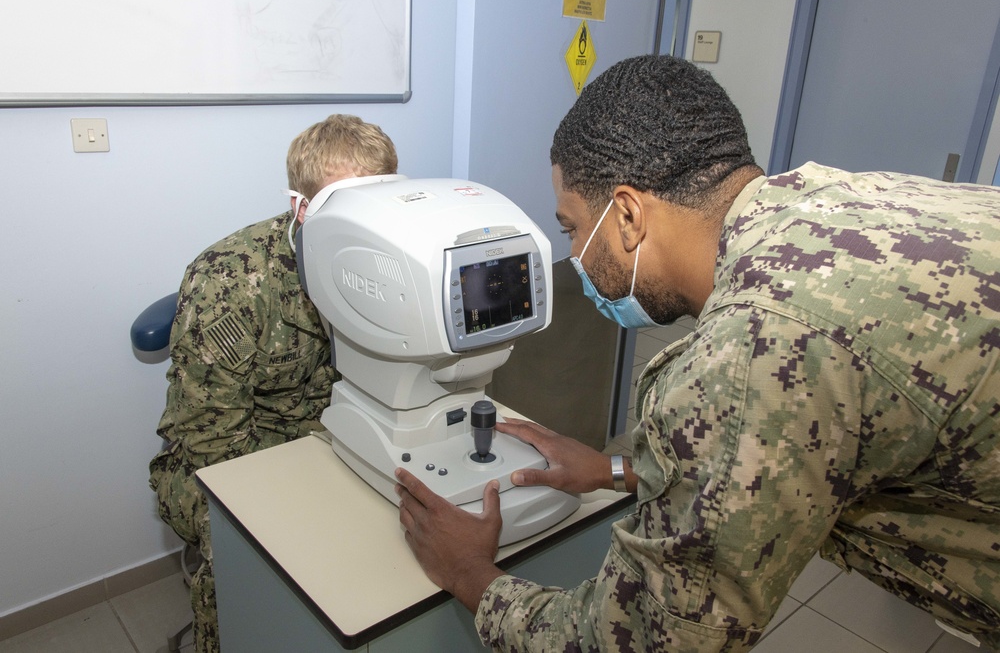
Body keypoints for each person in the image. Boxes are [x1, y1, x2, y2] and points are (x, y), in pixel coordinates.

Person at [395, 54, 1000, 651]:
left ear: (627, 215)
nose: (574, 254)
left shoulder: (752, 353)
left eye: (571, 228)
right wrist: (616, 470)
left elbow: (642, 642)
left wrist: (468, 571)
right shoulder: (838, 195)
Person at [149, 114, 398, 653]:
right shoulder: (233, 282)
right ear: (302, 208)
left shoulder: (387, 263)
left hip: (328, 436)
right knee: (246, 548)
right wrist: (307, 487)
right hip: (221, 456)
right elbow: (211, 436)